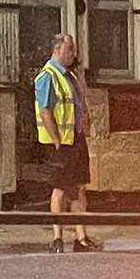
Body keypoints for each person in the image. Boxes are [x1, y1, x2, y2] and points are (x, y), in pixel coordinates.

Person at [34, 33, 101, 253]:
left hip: (75, 139)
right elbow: (45, 111)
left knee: (79, 189)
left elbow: (77, 105)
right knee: (60, 189)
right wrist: (56, 141)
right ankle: (58, 238)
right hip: (61, 144)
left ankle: (81, 239)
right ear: (57, 50)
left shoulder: (70, 76)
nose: (74, 54)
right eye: (70, 49)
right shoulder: (48, 76)